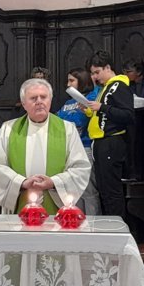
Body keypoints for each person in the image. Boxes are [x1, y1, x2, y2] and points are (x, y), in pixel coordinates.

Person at [0, 78, 92, 286]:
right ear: (23, 103)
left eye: (44, 97)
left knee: (54, 278)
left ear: (50, 99)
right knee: (20, 279)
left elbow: (80, 167)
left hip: (56, 216)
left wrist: (53, 182)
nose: (39, 102)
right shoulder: (9, 130)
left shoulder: (66, 129)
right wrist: (21, 182)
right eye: (33, 98)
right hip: (18, 217)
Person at [86, 51, 135, 225]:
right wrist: (90, 110)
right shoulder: (106, 87)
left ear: (108, 67)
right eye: (92, 73)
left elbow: (128, 115)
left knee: (112, 190)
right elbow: (104, 113)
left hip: (111, 142)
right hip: (101, 141)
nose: (94, 77)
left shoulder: (119, 86)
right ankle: (109, 225)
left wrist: (102, 108)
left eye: (97, 72)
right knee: (104, 189)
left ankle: (117, 227)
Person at [56, 67, 101, 215]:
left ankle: (93, 223)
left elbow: (80, 121)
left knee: (88, 190)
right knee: (73, 191)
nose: (68, 84)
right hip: (68, 149)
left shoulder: (91, 97)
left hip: (84, 147)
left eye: (72, 81)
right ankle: (78, 220)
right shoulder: (68, 102)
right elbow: (58, 120)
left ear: (82, 81)